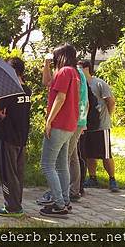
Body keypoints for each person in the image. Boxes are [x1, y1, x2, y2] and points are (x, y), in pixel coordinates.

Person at [37, 55, 88, 206]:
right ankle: (65, 200)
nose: (54, 59)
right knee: (61, 164)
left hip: (59, 124)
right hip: (70, 124)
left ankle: (59, 203)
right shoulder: (73, 73)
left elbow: (60, 97)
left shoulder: (65, 72)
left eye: (55, 56)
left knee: (47, 165)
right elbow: (48, 83)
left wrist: (49, 121)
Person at [0, 57, 31, 218]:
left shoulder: (9, 90)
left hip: (7, 137)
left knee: (8, 173)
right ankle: (17, 202)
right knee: (18, 172)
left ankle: (12, 206)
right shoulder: (27, 90)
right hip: (22, 137)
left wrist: (0, 115)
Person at [78, 60, 119, 192]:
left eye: (80, 68)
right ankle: (92, 178)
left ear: (87, 68)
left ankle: (112, 179)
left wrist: (107, 116)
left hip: (101, 125)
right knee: (89, 153)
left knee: (106, 154)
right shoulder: (80, 84)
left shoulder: (99, 83)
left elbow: (111, 102)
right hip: (86, 125)